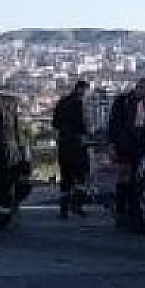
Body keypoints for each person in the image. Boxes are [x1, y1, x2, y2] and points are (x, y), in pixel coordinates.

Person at [107, 78, 145, 226]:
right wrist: (112, 144)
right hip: (124, 145)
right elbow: (114, 124)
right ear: (140, 88)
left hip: (139, 146)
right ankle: (121, 209)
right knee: (124, 177)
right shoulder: (123, 101)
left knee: (135, 178)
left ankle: (131, 209)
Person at [52, 81, 92, 219]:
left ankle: (64, 210)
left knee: (65, 178)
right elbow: (84, 125)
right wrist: (88, 133)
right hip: (77, 145)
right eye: (86, 91)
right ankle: (77, 206)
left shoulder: (62, 102)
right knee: (80, 177)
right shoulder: (80, 104)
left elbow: (55, 123)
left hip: (63, 145)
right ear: (81, 90)